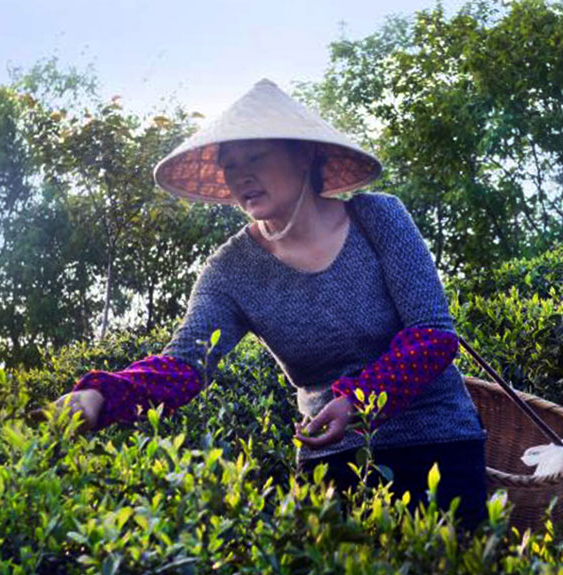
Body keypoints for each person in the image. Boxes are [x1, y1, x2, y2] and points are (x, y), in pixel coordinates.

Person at [53, 79, 488, 530]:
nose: (241, 175)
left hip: (438, 444)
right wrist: (102, 393)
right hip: (333, 461)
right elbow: (185, 365)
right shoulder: (230, 269)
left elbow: (433, 336)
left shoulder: (378, 217)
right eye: (230, 165)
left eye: (255, 157)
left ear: (303, 155)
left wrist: (357, 401)